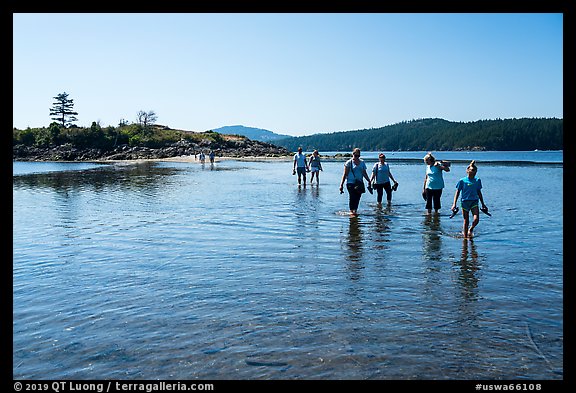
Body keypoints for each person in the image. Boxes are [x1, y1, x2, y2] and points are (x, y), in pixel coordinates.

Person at [451, 160, 488, 238]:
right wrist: (454, 204)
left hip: (474, 201)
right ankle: (465, 238)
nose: (473, 172)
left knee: (476, 219)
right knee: (466, 221)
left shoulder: (477, 180)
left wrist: (483, 204)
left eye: (474, 170)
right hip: (465, 202)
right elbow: (457, 192)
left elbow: (479, 192)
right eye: (471, 170)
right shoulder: (462, 181)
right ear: (467, 171)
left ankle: (471, 229)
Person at [339, 148, 371, 216]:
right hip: (350, 183)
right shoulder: (348, 163)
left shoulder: (362, 162)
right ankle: (351, 212)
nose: (357, 157)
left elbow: (364, 173)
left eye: (358, 156)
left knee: (358, 197)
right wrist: (341, 185)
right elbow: (345, 174)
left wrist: (369, 180)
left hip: (359, 183)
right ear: (353, 154)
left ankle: (355, 211)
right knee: (352, 197)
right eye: (356, 155)